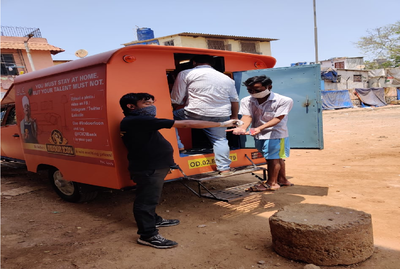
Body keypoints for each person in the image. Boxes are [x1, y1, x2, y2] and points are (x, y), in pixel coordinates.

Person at [119, 92, 239, 249]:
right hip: (148, 167)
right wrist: (221, 124)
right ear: (131, 106)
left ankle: (154, 219)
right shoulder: (138, 120)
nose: (152, 107)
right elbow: (185, 124)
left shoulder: (136, 121)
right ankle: (147, 235)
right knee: (146, 200)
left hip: (153, 165)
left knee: (151, 197)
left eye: (151, 103)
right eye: (147, 104)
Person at [171, 54, 240, 175]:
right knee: (220, 140)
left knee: (170, 118)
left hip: (194, 113)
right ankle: (224, 168)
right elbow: (234, 100)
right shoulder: (227, 78)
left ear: (194, 62)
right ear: (212, 64)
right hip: (221, 114)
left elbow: (176, 99)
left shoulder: (186, 73)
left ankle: (179, 145)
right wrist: (234, 117)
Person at [228, 75, 294, 191]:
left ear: (269, 87)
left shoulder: (284, 100)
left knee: (273, 158)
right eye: (250, 90)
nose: (253, 93)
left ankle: (271, 183)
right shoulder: (246, 100)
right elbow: (247, 116)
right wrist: (242, 127)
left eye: (257, 90)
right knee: (275, 157)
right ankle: (282, 180)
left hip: (276, 134)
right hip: (258, 134)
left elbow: (278, 118)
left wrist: (260, 128)